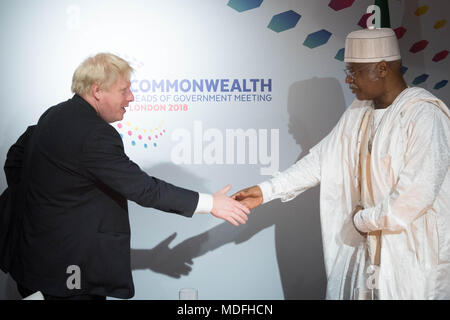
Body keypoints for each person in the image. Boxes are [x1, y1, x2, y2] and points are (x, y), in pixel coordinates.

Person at [0, 53, 250, 300]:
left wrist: (42, 205)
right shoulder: (95, 134)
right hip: (70, 274)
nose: (131, 98)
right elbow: (143, 189)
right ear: (98, 91)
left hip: (33, 263)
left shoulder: (54, 114)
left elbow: (15, 160)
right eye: (124, 90)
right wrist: (211, 203)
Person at [232, 27, 450, 300]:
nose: (349, 80)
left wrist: (362, 220)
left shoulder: (425, 115)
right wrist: (265, 191)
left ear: (382, 68)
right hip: (372, 254)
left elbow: (414, 196)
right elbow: (322, 160)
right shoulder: (359, 112)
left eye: (355, 71)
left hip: (414, 260)